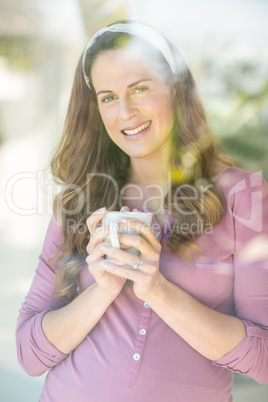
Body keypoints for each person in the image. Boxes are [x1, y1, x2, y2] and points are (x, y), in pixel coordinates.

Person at [16, 20, 268, 401]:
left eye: (140, 89)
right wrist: (102, 289)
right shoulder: (82, 198)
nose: (126, 112)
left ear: (176, 90)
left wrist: (157, 289)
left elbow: (263, 361)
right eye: (108, 97)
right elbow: (29, 355)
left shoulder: (242, 194)